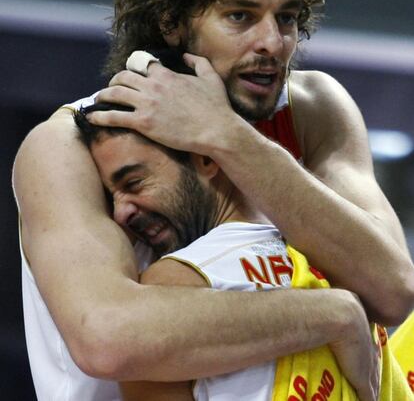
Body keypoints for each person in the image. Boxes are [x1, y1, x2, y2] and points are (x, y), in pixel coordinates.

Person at [12, 0, 414, 400]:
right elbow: (107, 338)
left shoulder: (311, 108)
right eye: (240, 16)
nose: (272, 41)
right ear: (171, 22)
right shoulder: (68, 141)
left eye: (287, 18)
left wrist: (226, 134)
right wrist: (334, 314)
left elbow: (393, 289)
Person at [73, 101, 412, 400]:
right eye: (111, 196)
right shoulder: (340, 259)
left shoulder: (177, 279)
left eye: (134, 183)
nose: (121, 212)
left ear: (206, 158)